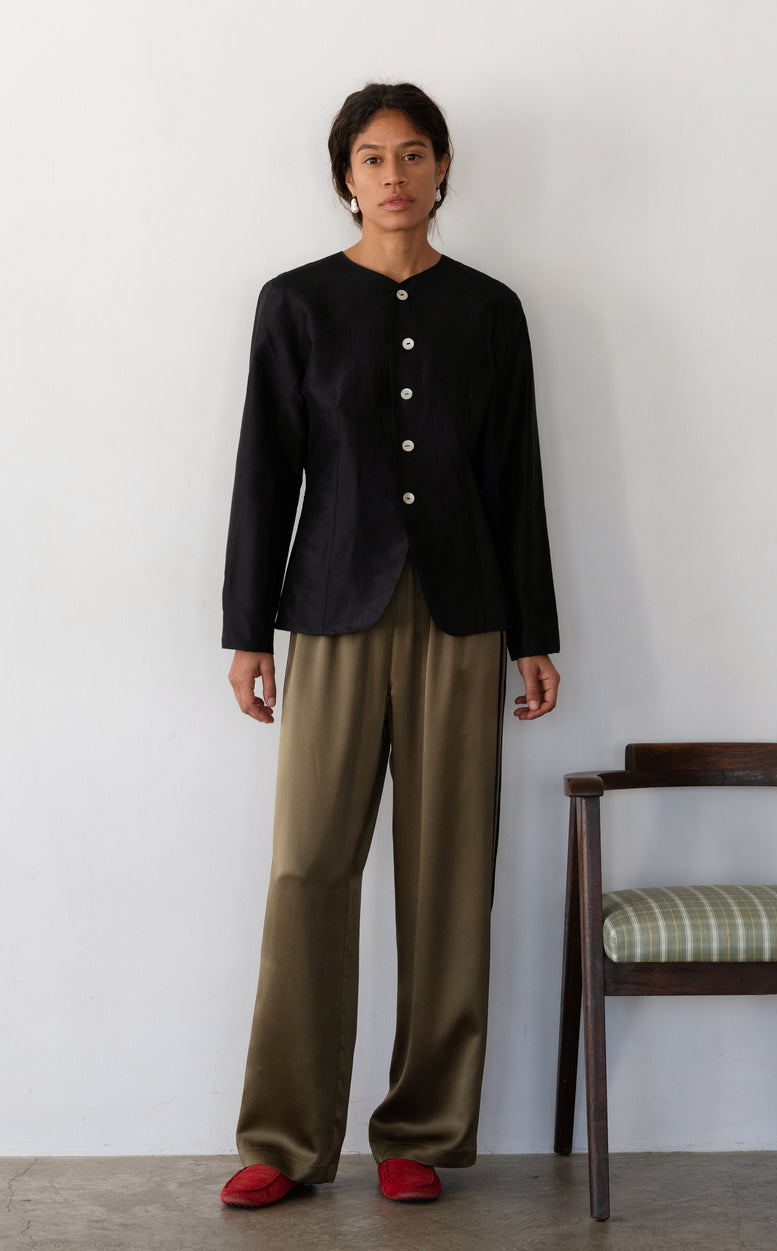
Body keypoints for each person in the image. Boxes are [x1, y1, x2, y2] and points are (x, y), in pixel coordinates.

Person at [219, 82, 560, 1209]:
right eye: (372, 157)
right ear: (345, 177)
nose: (394, 175)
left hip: (465, 613)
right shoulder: (297, 303)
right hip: (329, 608)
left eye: (414, 154)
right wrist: (246, 629)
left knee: (449, 873)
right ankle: (284, 1139)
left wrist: (534, 632)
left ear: (443, 168)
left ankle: (420, 1130)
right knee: (308, 864)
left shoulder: (490, 310)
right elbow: (265, 469)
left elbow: (514, 478)